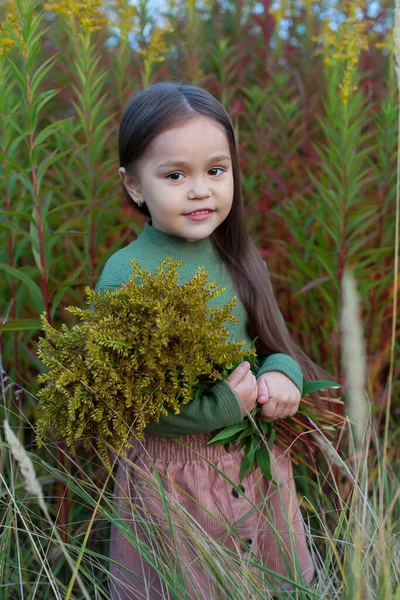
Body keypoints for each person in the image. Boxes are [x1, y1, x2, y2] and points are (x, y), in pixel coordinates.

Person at [94, 81, 330, 599]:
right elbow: (128, 396)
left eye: (215, 171)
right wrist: (224, 403)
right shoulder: (128, 275)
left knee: (267, 583)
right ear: (134, 186)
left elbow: (271, 343)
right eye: (175, 175)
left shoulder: (239, 258)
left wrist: (280, 375)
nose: (200, 190)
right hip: (173, 478)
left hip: (252, 463)